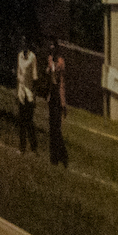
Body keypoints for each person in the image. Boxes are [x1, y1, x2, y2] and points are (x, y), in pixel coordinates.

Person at [46, 40, 69, 168]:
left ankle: (61, 156)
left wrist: (63, 103)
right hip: (52, 94)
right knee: (52, 128)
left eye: (53, 48)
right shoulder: (50, 60)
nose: (52, 50)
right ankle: (53, 157)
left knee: (57, 128)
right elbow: (48, 75)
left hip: (57, 97)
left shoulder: (61, 62)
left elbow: (61, 83)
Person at [15, 40, 40, 154]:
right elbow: (18, 74)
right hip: (21, 91)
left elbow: (35, 77)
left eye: (25, 43)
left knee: (29, 121)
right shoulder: (19, 56)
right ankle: (22, 147)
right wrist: (17, 92)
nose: (23, 45)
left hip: (29, 92)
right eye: (22, 43)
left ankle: (34, 146)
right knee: (21, 121)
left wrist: (34, 96)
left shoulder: (32, 57)